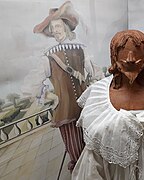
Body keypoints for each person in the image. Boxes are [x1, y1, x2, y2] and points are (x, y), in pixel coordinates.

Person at [72, 30, 144, 180]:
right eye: (123, 52)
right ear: (114, 56)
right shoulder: (98, 93)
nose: (130, 59)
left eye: (136, 52)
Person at [22, 1, 102, 172]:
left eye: (58, 26)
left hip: (85, 108)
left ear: (66, 27)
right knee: (75, 150)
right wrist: (51, 96)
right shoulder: (48, 58)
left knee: (90, 145)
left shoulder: (81, 50)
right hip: (66, 111)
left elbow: (96, 74)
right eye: (52, 27)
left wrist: (94, 88)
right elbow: (30, 86)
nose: (55, 30)